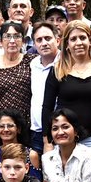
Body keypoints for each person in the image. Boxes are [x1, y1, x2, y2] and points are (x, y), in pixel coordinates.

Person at [42, 20, 91, 157]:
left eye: (82, 38)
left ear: (90, 40)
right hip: (62, 139)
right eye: (73, 39)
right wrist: (47, 141)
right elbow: (47, 107)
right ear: (67, 44)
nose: (78, 43)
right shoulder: (58, 69)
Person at [27, 21, 59, 152]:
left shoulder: (67, 62)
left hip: (61, 130)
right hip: (36, 131)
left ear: (57, 40)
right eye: (39, 40)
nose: (44, 43)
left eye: (48, 38)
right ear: (34, 44)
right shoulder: (33, 64)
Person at [0, 110, 43, 182]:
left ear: (18, 129)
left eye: (10, 126)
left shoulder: (31, 155)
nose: (6, 129)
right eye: (1, 126)